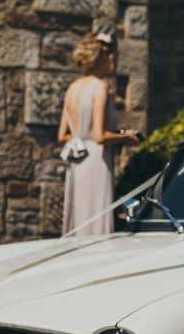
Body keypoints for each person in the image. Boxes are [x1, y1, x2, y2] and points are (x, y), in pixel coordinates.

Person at [57, 31, 139, 235]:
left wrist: (81, 139)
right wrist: (126, 137)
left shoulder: (72, 88)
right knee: (95, 217)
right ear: (105, 57)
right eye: (114, 57)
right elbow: (99, 137)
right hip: (96, 161)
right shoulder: (99, 87)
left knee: (80, 217)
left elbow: (62, 136)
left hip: (78, 161)